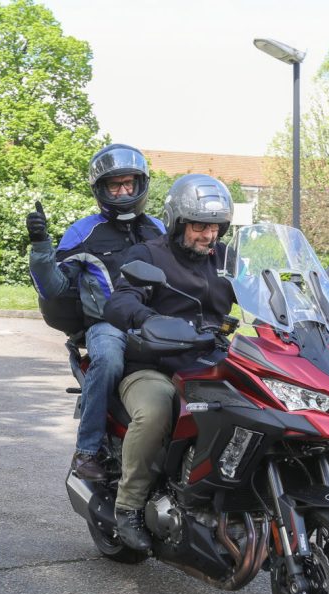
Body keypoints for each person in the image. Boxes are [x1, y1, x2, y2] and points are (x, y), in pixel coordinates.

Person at [102, 174, 236, 551]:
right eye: (198, 226)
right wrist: (147, 319)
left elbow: (269, 286)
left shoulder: (227, 259)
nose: (208, 236)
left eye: (214, 227)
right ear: (178, 222)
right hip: (155, 365)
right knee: (157, 410)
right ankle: (127, 507)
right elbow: (120, 300)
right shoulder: (148, 255)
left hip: (211, 361)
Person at [27, 144, 166, 480]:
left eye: (128, 184)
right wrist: (41, 244)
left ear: (140, 184)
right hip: (109, 323)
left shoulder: (159, 229)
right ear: (102, 190)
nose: (122, 192)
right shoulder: (83, 231)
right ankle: (86, 451)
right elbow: (54, 288)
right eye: (114, 185)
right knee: (107, 361)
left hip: (157, 322)